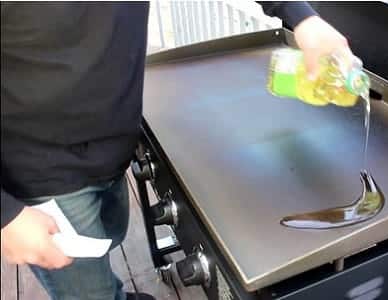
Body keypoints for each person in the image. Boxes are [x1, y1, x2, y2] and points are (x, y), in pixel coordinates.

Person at [0, 2, 350, 300]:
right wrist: (6, 215)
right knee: (83, 288)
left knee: (110, 236)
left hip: (112, 141)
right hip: (37, 170)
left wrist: (303, 18)